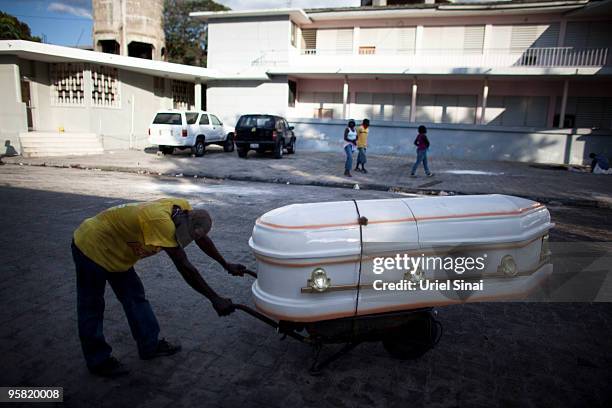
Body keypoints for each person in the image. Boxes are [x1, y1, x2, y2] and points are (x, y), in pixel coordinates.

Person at [72, 198, 246, 378]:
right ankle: (98, 360)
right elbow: (185, 266)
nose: (183, 238)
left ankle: (149, 345)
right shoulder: (162, 223)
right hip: (91, 246)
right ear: (183, 221)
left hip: (118, 252)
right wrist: (214, 298)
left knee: (135, 298)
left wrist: (226, 264)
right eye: (185, 233)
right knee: (91, 306)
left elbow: (202, 240)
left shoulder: (184, 211)